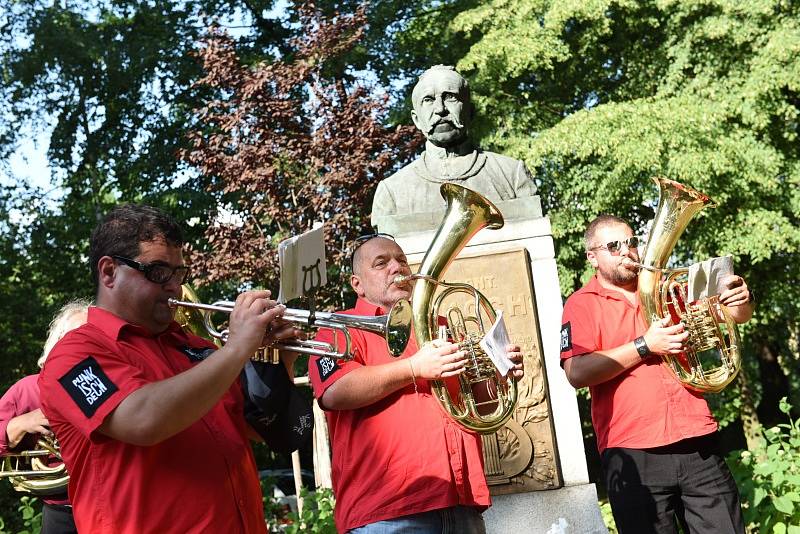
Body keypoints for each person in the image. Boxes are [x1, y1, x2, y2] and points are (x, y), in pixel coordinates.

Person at [38, 204, 301, 534]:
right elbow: (142, 420)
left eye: (179, 273)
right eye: (158, 271)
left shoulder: (199, 348)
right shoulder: (74, 354)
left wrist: (277, 360)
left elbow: (266, 428)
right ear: (108, 272)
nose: (174, 286)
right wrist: (236, 349)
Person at [308, 233, 524, 533]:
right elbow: (334, 391)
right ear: (357, 283)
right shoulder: (339, 327)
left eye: (401, 260)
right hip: (387, 511)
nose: (397, 268)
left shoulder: (442, 326)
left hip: (461, 502)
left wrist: (498, 375)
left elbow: (478, 407)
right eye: (381, 263)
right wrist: (414, 367)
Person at [560, 214, 754, 534]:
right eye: (614, 245)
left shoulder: (668, 289)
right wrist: (645, 345)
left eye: (632, 242)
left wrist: (740, 302)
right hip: (634, 455)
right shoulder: (581, 304)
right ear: (592, 256)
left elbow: (731, 316)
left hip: (697, 443)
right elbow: (577, 372)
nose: (628, 251)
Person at [371, 65, 537, 223]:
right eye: (428, 100)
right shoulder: (392, 192)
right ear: (416, 120)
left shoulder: (512, 175)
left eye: (450, 97)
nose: (440, 109)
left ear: (470, 112)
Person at [0, 300, 89, 534]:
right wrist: (18, 424)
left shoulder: (118, 387)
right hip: (61, 516)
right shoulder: (28, 389)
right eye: (75, 339)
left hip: (113, 506)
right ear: (55, 345)